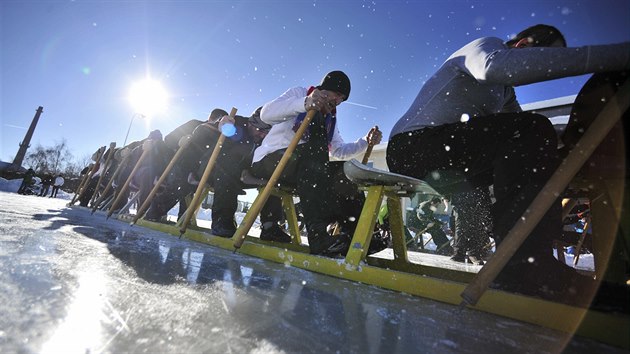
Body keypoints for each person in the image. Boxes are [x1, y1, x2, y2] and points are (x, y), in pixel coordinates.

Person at [386, 24, 629, 301]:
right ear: (523, 45)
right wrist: (618, 55)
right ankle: (523, 266)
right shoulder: (487, 48)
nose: (546, 67)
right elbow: (492, 70)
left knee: (533, 141)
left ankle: (520, 257)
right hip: (412, 146)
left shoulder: (505, 94)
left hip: (447, 158)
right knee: (531, 130)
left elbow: (529, 139)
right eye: (544, 58)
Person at [251, 70, 382, 257]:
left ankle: (356, 234)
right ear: (325, 89)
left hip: (305, 167)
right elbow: (266, 113)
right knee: (312, 156)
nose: (338, 101)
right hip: (271, 159)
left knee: (344, 172)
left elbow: (338, 150)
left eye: (342, 99)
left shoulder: (330, 118)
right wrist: (305, 104)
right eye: (337, 95)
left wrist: (365, 142)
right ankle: (318, 236)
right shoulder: (299, 93)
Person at [209, 107, 291, 242]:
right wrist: (221, 122)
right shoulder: (238, 123)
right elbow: (214, 128)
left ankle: (269, 226)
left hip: (243, 174)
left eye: (266, 133)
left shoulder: (264, 139)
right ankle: (222, 221)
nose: (262, 135)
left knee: (272, 174)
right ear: (251, 124)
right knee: (226, 169)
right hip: (218, 170)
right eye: (260, 130)